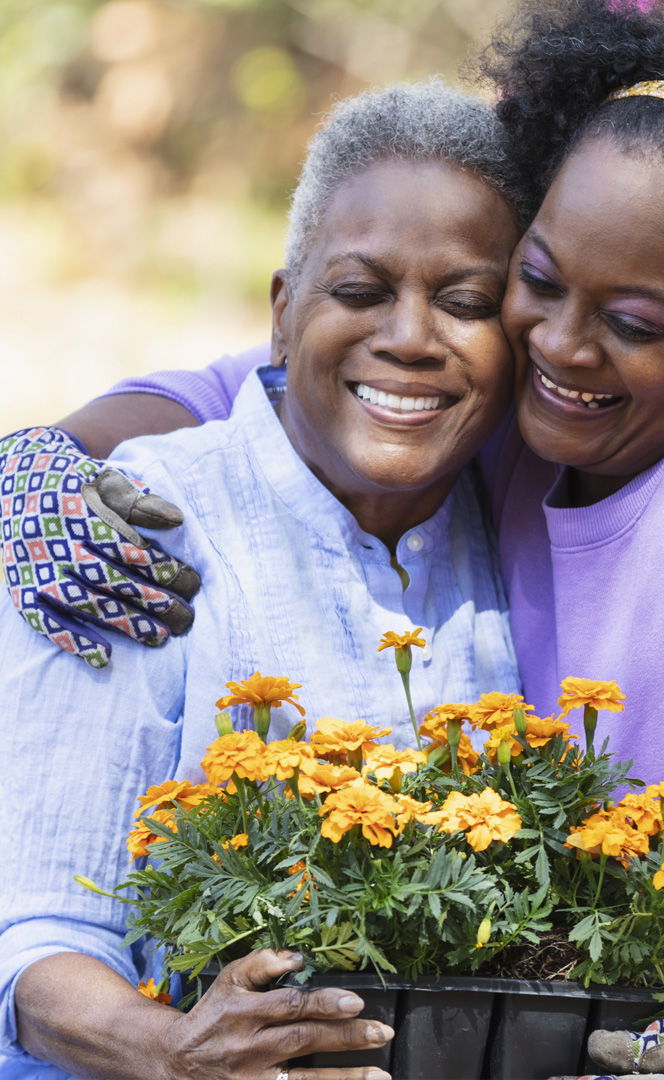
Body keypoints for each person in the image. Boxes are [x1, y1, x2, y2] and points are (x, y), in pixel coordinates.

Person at [5, 2, 664, 1077]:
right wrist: (45, 456)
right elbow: (307, 379)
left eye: (636, 322)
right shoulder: (532, 428)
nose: (561, 344)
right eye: (539, 281)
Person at [0, 79, 525, 1079]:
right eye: (362, 292)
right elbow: (34, 940)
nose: (412, 337)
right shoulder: (128, 534)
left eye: (466, 302)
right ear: (283, 314)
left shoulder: (522, 523)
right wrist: (170, 1049)